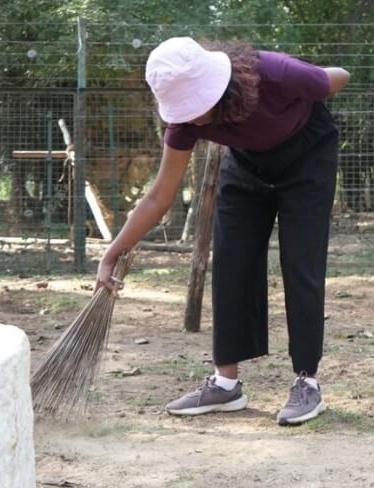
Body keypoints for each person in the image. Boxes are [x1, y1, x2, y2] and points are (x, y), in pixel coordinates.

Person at [96, 37, 350, 425]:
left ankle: (307, 383)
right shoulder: (183, 125)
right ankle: (225, 384)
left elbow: (338, 77)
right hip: (247, 166)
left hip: (308, 155)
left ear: (222, 88)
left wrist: (313, 80)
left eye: (198, 106)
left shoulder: (275, 73)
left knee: (301, 263)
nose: (193, 119)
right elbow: (159, 196)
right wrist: (114, 250)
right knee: (231, 262)